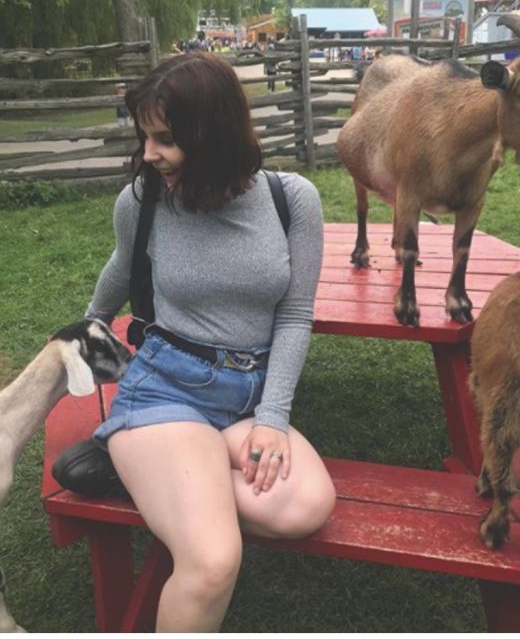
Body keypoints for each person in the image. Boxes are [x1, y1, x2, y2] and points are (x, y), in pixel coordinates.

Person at [85, 52, 336, 632]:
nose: (149, 154)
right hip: (167, 389)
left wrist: (273, 418)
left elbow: (295, 314)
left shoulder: (291, 200)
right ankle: (160, 467)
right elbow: (121, 268)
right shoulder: (143, 201)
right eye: (146, 137)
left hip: (246, 399)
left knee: (305, 506)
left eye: (166, 140)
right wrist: (87, 327)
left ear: (213, 136)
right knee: (212, 561)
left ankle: (159, 480)